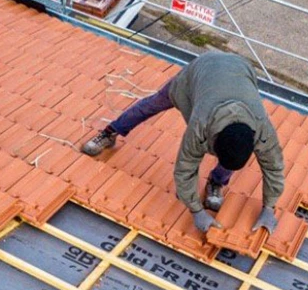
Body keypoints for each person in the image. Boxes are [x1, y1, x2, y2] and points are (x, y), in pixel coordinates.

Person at [82, 52, 284, 235]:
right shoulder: (199, 124)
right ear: (212, 140)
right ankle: (110, 132)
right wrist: (196, 211)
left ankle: (216, 182)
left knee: (231, 151)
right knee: (154, 103)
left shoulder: (262, 128)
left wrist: (269, 208)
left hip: (239, 69)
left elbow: (274, 168)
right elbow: (185, 169)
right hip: (197, 74)